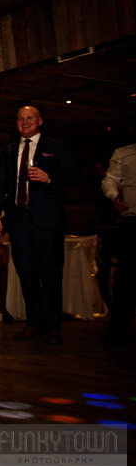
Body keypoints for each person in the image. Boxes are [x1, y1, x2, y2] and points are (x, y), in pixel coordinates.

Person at [0, 106, 76, 345]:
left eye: (29, 118)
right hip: (19, 220)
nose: (25, 122)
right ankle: (33, 323)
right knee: (26, 274)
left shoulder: (57, 147)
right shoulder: (7, 151)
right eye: (20, 119)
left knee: (50, 274)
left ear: (40, 121)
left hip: (48, 221)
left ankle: (53, 326)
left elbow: (73, 177)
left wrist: (49, 178)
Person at [100, 142, 135, 344]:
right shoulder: (124, 153)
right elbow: (109, 181)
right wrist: (114, 196)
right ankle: (118, 327)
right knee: (127, 276)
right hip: (132, 221)